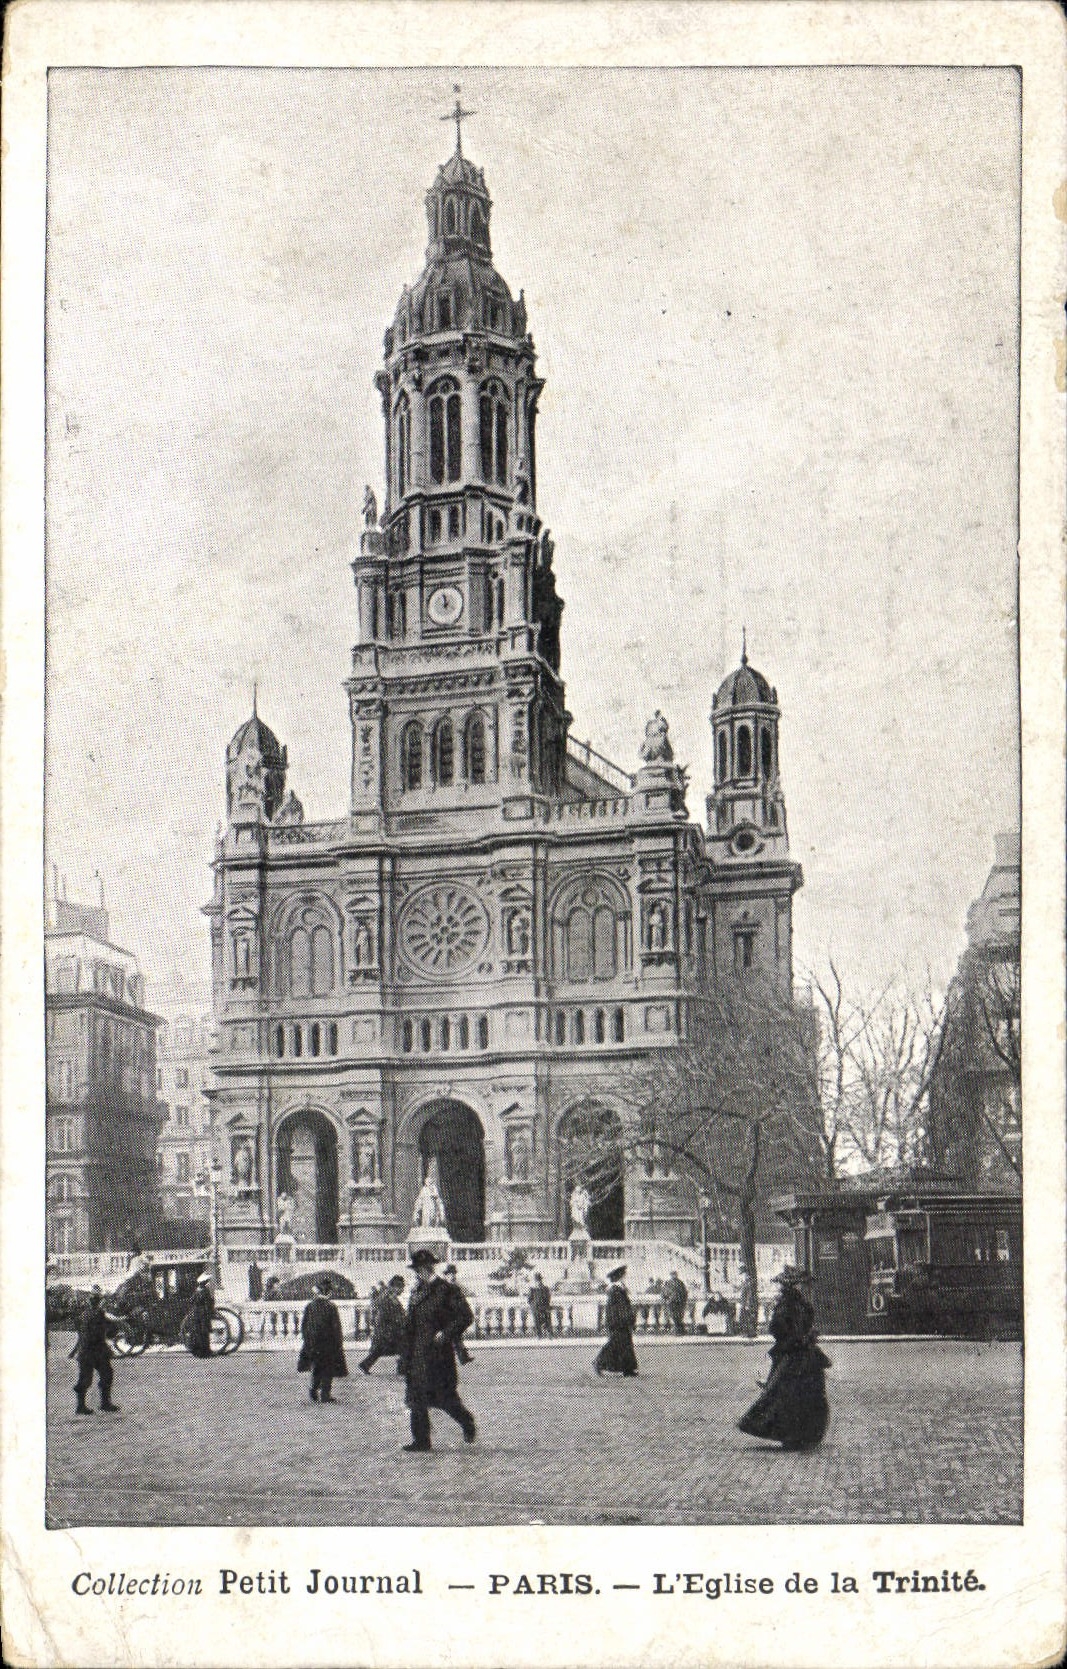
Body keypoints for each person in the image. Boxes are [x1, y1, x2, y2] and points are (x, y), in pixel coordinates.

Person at [737, 1267, 831, 1451]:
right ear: (794, 1285)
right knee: (791, 1393)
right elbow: (777, 1328)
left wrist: (806, 1335)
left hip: (800, 1351)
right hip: (796, 1352)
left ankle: (801, 1433)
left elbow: (786, 1327)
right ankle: (796, 1434)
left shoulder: (795, 1304)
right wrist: (797, 1338)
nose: (805, 1287)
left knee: (798, 1391)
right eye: (802, 1284)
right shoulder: (790, 1304)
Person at [397, 1248, 476, 1452]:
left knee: (445, 1399)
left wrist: (446, 1333)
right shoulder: (417, 1292)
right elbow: (410, 1326)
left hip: (438, 1354)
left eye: (419, 1270)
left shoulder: (447, 1290)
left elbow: (466, 1316)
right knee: (416, 1399)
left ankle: (466, 1421)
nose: (417, 1274)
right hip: (417, 1354)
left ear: (427, 1268)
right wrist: (404, 1356)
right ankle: (421, 1441)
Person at [297, 1274, 349, 1403]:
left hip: (313, 1344)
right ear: (329, 1292)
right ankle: (325, 1394)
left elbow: (304, 1326)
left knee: (317, 1368)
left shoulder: (310, 1306)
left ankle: (313, 1390)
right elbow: (336, 1328)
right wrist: (338, 1343)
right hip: (328, 1344)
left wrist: (307, 1342)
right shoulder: (331, 1307)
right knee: (328, 1370)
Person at [70, 1286, 118, 1414]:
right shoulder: (98, 1314)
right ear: (98, 1302)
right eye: (100, 1300)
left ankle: (87, 1405)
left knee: (93, 1377)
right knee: (104, 1375)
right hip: (94, 1351)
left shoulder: (86, 1314)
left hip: (88, 1351)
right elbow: (108, 1333)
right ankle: (101, 1403)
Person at [594, 1265, 638, 1377]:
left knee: (625, 1345)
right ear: (620, 1277)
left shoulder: (617, 1289)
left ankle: (628, 1369)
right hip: (618, 1322)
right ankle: (599, 1362)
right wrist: (627, 1319)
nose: (625, 1277)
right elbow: (620, 1308)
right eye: (623, 1275)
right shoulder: (616, 1290)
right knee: (615, 1344)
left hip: (619, 1322)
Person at [359, 1274, 407, 1373]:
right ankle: (402, 1367)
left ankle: (365, 1364)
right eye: (401, 1287)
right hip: (388, 1330)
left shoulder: (388, 1296)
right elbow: (388, 1314)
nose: (402, 1290)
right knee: (402, 1347)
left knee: (380, 1350)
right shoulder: (388, 1298)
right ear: (395, 1287)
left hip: (386, 1330)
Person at [441, 1264, 474, 1364]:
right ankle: (462, 1357)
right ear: (446, 1276)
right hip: (448, 1317)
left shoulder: (456, 1288)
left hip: (457, 1317)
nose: (453, 1276)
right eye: (450, 1274)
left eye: (454, 1274)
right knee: (453, 1336)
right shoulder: (442, 1288)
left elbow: (462, 1301)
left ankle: (463, 1357)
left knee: (456, 1336)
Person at [184, 1271, 215, 1358]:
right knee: (204, 1333)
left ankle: (200, 1352)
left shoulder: (197, 1290)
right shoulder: (205, 1291)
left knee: (198, 1333)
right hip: (204, 1313)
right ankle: (206, 1352)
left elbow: (191, 1301)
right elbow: (209, 1302)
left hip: (196, 1313)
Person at [662, 1270, 688, 1335]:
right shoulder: (668, 1283)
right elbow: (663, 1293)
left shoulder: (679, 1283)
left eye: (674, 1274)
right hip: (672, 1302)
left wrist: (684, 1301)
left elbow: (684, 1292)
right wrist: (666, 1299)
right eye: (672, 1275)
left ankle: (679, 1331)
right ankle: (679, 1330)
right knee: (675, 1316)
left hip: (678, 1302)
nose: (673, 1276)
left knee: (678, 1316)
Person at [528, 1271, 552, 1338]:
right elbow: (529, 1300)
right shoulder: (532, 1290)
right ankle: (539, 1334)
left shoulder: (545, 1289)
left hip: (544, 1307)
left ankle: (549, 1333)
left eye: (539, 1280)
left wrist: (546, 1305)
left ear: (541, 1281)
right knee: (536, 1320)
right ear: (535, 1282)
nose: (539, 1282)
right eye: (537, 1281)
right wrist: (533, 1305)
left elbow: (548, 1298)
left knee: (547, 1319)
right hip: (536, 1308)